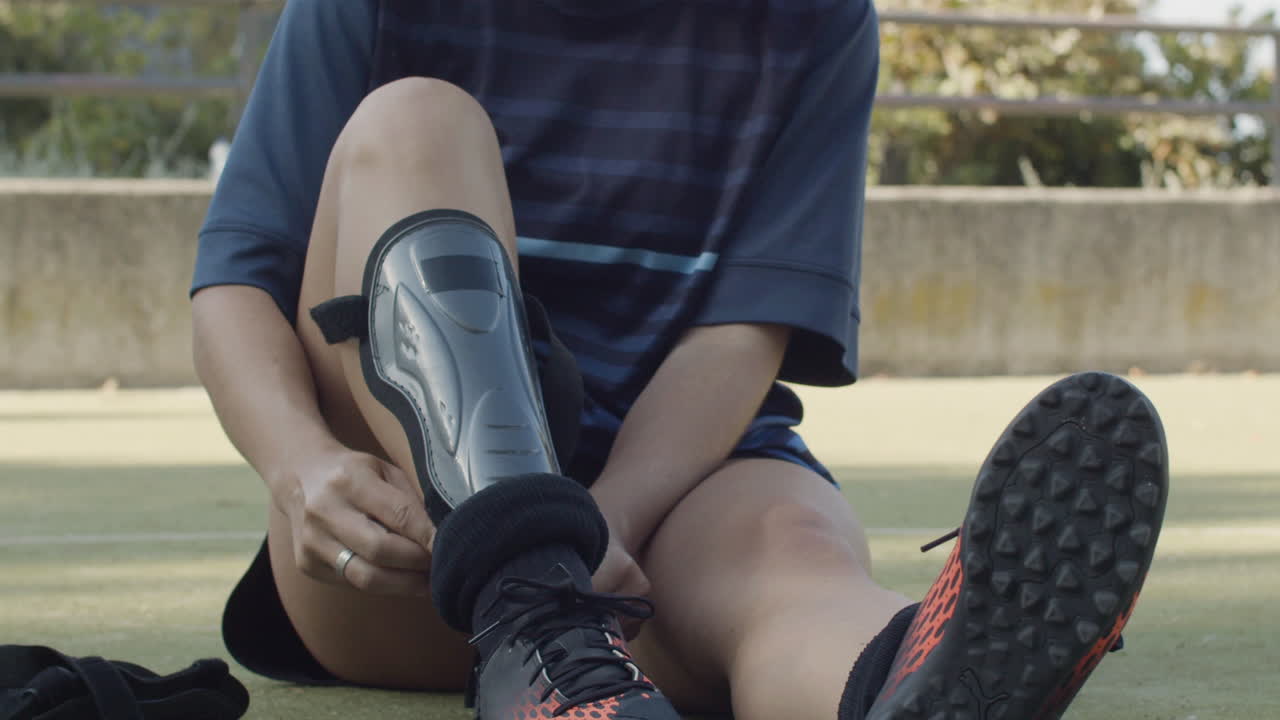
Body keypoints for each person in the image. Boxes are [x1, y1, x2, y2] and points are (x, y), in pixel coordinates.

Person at [190, 1, 1169, 719]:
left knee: (792, 554)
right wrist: (298, 463)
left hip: (652, 516)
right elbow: (236, 283)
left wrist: (599, 525)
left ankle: (905, 679)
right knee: (411, 120)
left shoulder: (813, 21)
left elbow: (740, 333)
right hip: (402, 549)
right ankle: (529, 609)